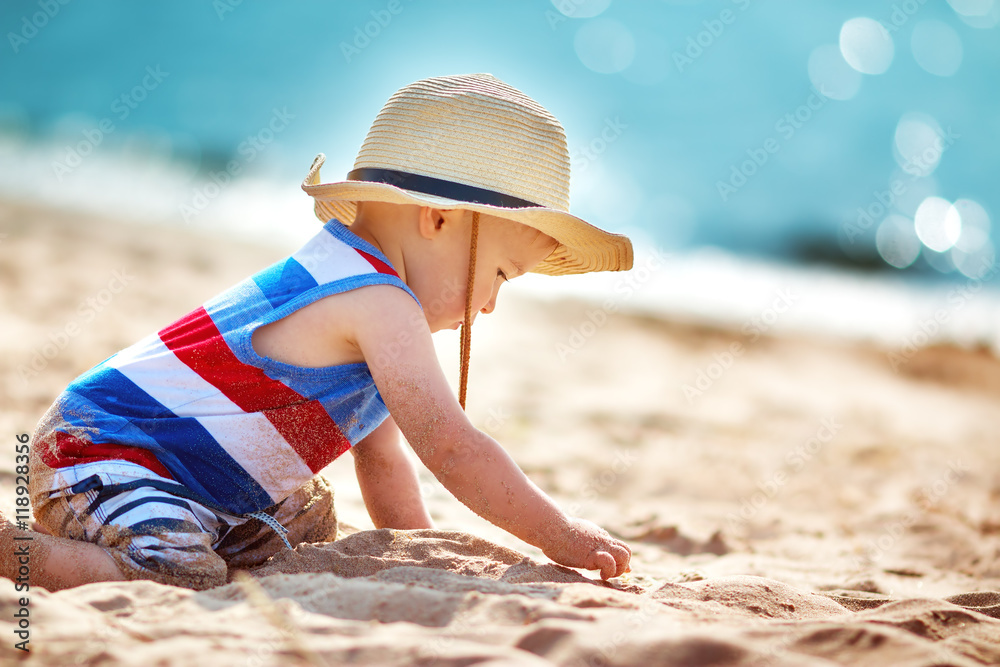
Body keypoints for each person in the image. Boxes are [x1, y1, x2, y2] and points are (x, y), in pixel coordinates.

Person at [0, 73, 635, 591]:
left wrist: (418, 552)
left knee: (307, 514)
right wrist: (559, 532)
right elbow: (452, 448)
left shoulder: (359, 280)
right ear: (438, 221)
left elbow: (382, 457)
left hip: (183, 473)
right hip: (105, 452)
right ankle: (19, 552)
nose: (493, 303)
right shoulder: (376, 300)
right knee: (179, 573)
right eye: (499, 273)